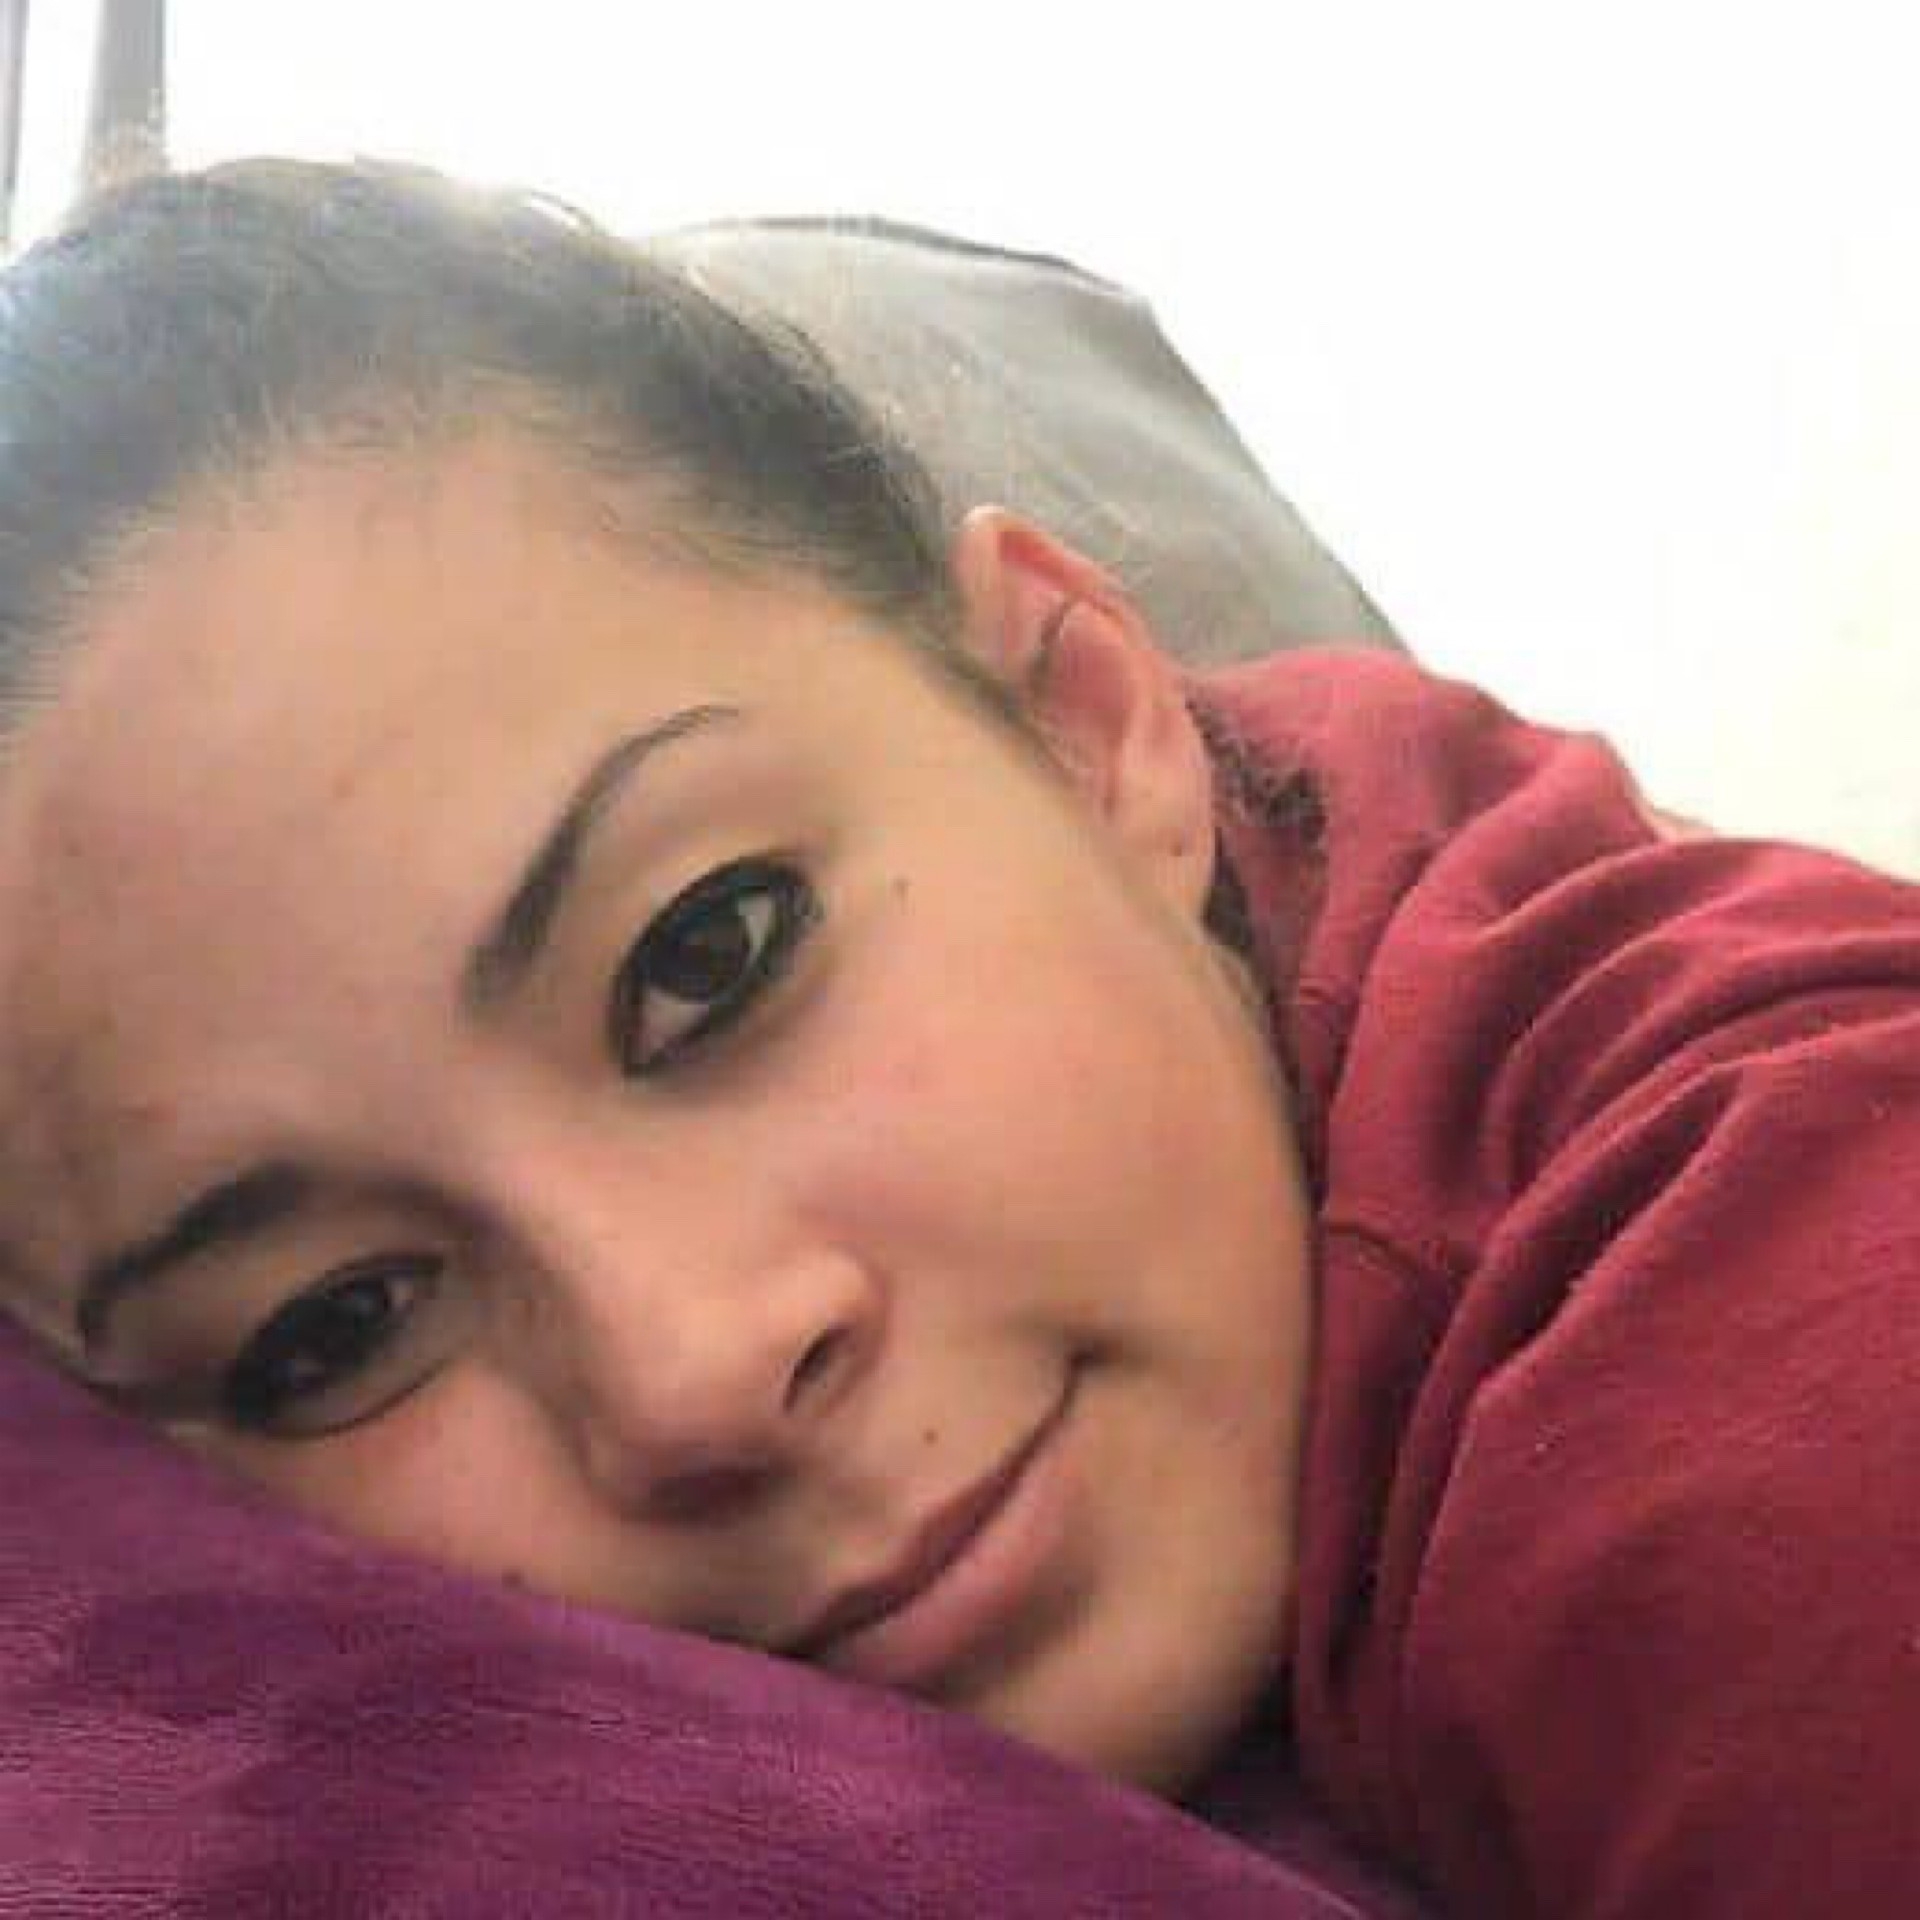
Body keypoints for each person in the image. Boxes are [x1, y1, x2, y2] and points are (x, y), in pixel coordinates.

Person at [0, 157, 1917, 1918]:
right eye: (335, 1322)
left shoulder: (1771, 1335)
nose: (692, 1371)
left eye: (710, 955)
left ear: (1093, 724)